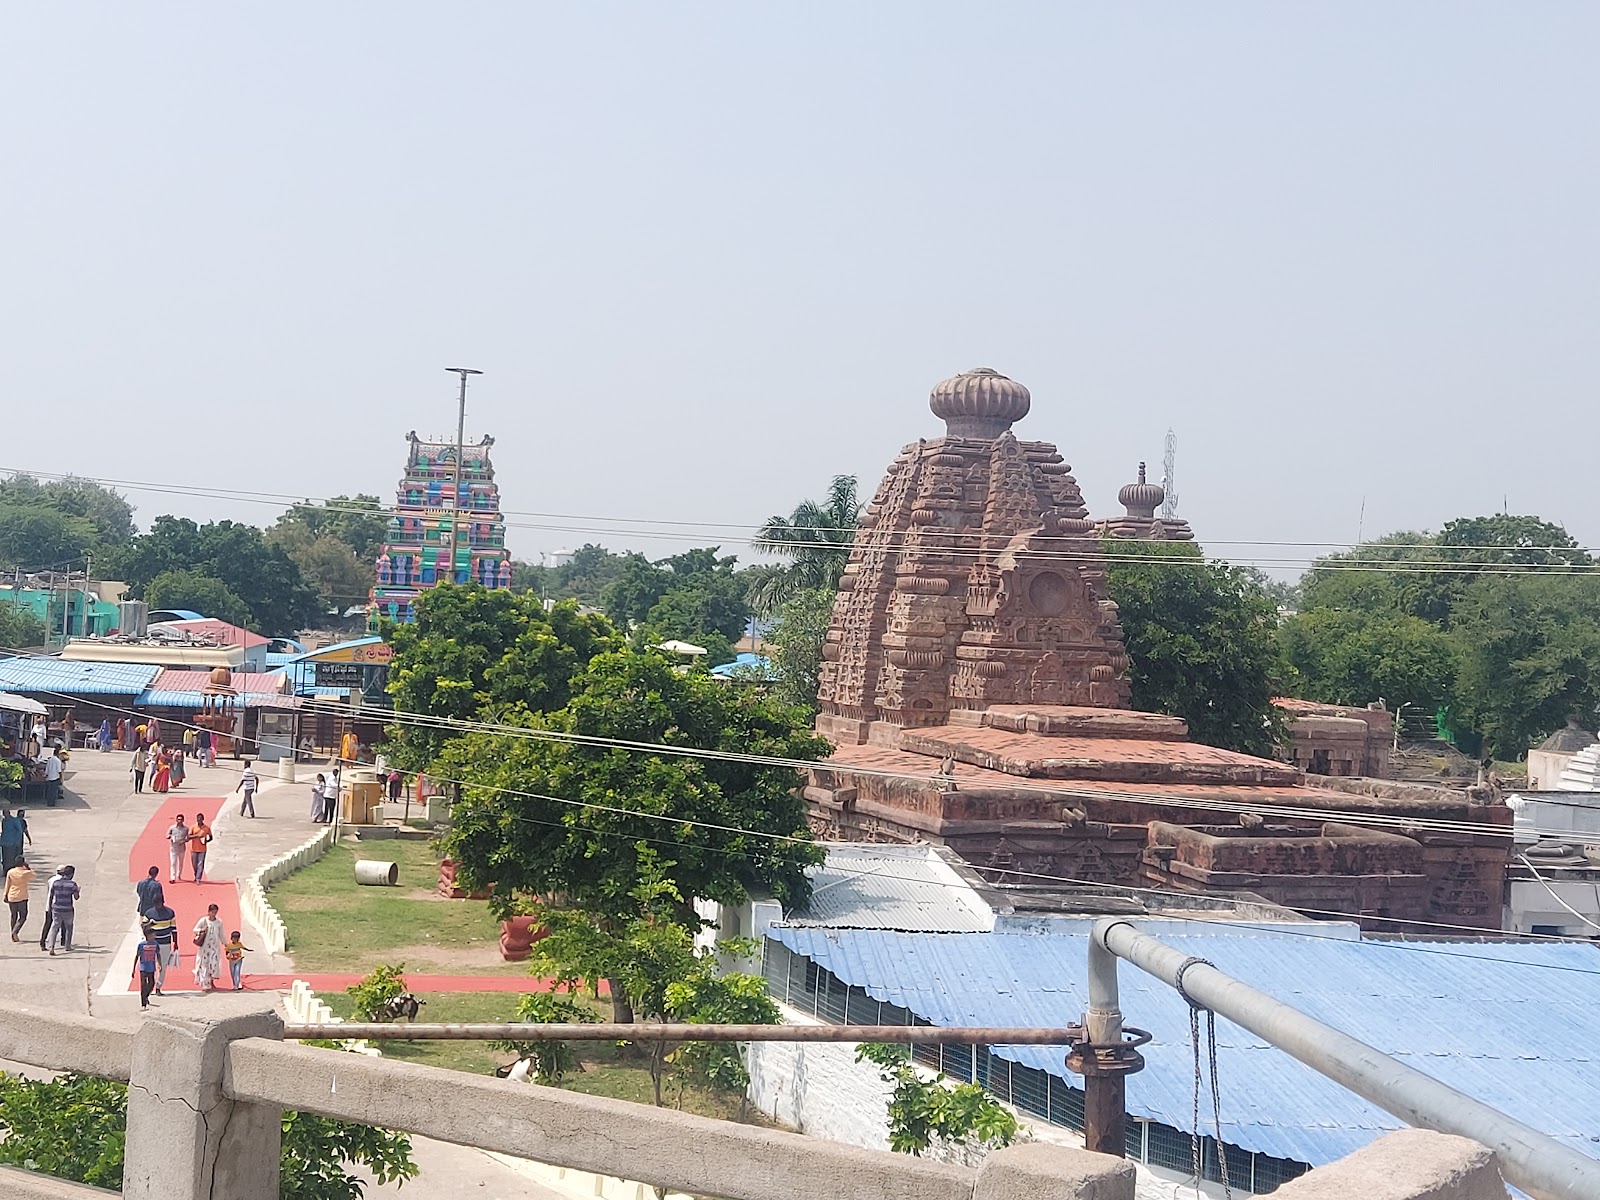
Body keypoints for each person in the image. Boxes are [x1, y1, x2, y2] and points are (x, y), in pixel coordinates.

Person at [144, 900, 178, 994]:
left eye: (159, 903)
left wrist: (175, 942)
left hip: (165, 943)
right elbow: (143, 927)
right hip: (151, 943)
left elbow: (174, 929)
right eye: (156, 904)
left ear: (163, 902)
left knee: (163, 966)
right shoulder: (149, 913)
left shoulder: (170, 913)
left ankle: (158, 987)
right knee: (150, 965)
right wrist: (150, 925)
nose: (158, 906)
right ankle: (150, 985)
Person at [46, 865, 79, 954]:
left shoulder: (56, 883)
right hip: (68, 908)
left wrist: (50, 907)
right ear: (72, 874)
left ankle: (51, 947)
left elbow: (51, 896)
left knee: (55, 927)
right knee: (69, 927)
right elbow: (76, 897)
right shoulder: (72, 884)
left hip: (56, 908)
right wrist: (78, 891)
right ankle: (67, 946)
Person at [191, 903, 224, 991]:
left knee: (213, 964)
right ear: (209, 912)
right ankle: (205, 984)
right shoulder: (203, 921)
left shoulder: (219, 922)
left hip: (214, 947)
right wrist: (201, 930)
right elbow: (195, 929)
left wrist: (225, 943)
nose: (214, 914)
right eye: (212, 912)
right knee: (204, 965)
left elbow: (221, 934)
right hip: (205, 948)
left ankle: (211, 981)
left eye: (215, 912)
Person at [4, 856, 33, 941]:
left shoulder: (10, 872)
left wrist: (5, 895)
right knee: (23, 916)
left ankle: (13, 934)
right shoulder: (25, 873)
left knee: (13, 916)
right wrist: (27, 867)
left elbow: (7, 884)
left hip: (12, 896)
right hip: (22, 896)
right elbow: (34, 874)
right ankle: (15, 931)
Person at [134, 924, 160, 1008]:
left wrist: (159, 964)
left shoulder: (155, 944)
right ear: (148, 935)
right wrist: (133, 969)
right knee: (143, 985)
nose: (154, 936)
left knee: (151, 984)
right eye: (153, 934)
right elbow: (137, 956)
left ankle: (146, 996)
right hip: (143, 968)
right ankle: (143, 1004)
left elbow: (158, 954)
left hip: (151, 968)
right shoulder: (141, 945)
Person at [188, 814, 212, 883]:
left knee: (200, 864)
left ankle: (198, 878)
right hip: (194, 848)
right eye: (198, 819)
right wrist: (197, 836)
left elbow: (211, 837)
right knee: (194, 864)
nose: (199, 820)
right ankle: (196, 875)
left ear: (203, 819)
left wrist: (206, 841)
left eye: (200, 819)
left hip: (202, 849)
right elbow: (189, 836)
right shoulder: (193, 827)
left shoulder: (206, 828)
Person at [167, 814, 189, 883]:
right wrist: (170, 837)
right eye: (178, 819)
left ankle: (179, 874)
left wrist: (184, 840)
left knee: (181, 863)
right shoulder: (172, 828)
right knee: (173, 863)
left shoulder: (186, 829)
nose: (179, 821)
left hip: (181, 848)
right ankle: (172, 877)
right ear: (176, 820)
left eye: (181, 819)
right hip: (173, 848)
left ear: (183, 820)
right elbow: (167, 835)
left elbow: (188, 837)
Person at [1, 809, 22, 875]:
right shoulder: (4, 821)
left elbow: (19, 831)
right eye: (4, 814)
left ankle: (12, 872)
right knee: (5, 859)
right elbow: (4, 831)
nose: (5, 815)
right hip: (4, 843)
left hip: (12, 843)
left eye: (6, 813)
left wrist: (18, 841)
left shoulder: (14, 821)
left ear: (9, 813)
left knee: (11, 858)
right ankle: (5, 872)